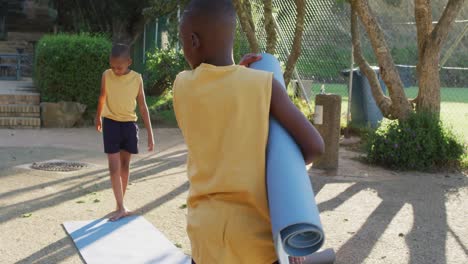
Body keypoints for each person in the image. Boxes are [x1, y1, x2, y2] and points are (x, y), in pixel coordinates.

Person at [173, 0, 325, 263]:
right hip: (255, 241)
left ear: (194, 41)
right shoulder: (263, 86)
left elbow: (218, 91)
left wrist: (235, 74)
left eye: (183, 41)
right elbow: (315, 147)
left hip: (205, 237)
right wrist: (283, 166)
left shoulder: (182, 86)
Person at [95, 43, 154, 221]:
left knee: (125, 167)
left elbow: (143, 107)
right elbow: (102, 96)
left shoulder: (137, 78)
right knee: (114, 167)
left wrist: (150, 134)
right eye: (113, 66)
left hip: (129, 125)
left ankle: (120, 204)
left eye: (119, 67)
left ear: (129, 62)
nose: (116, 70)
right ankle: (121, 207)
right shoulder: (107, 75)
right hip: (111, 123)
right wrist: (98, 116)